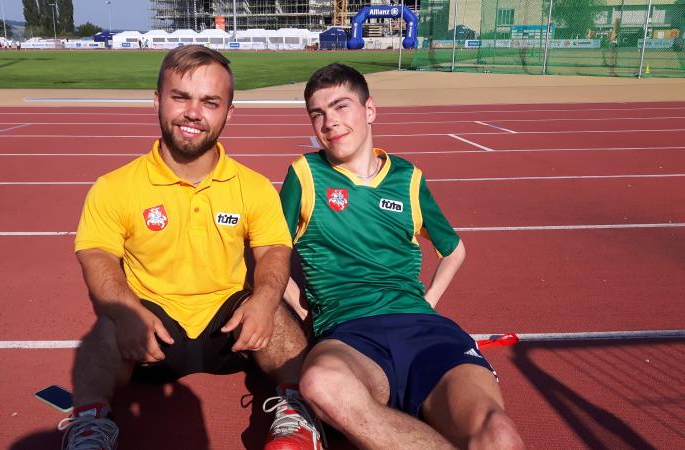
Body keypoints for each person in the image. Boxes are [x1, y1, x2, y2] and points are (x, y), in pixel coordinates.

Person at [60, 45, 322, 450]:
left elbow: (273, 251)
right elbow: (97, 256)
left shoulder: (252, 185)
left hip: (230, 324)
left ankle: (298, 413)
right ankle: (90, 422)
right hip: (151, 329)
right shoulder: (114, 186)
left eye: (210, 102)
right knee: (103, 331)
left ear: (228, 112)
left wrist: (266, 302)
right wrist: (127, 313)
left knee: (283, 321)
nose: (193, 113)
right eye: (180, 97)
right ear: (157, 101)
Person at [279, 63, 525, 449]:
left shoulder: (408, 178)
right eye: (318, 114)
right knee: (321, 384)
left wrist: (428, 300)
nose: (329, 122)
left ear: (370, 110)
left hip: (426, 331)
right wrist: (303, 307)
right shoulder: (306, 174)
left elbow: (453, 249)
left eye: (341, 107)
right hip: (350, 335)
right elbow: (271, 250)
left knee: (499, 435)